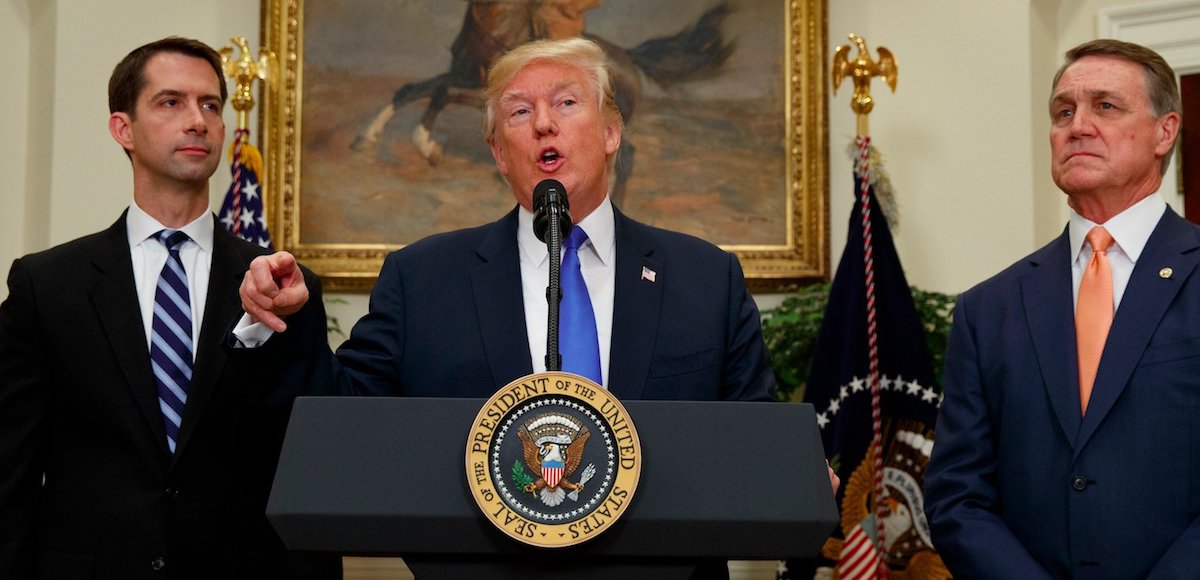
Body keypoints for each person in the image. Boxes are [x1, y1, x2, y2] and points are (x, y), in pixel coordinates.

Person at [238, 37, 829, 577]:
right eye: (520, 112)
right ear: (499, 152)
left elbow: (751, 437)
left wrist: (791, 476)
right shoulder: (423, 279)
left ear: (611, 132)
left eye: (567, 103)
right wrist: (288, 324)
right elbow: (348, 425)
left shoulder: (704, 278)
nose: (544, 123)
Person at [0, 37, 338, 579]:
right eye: (170, 102)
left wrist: (282, 326)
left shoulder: (282, 281)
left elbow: (313, 458)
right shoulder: (48, 284)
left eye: (210, 105)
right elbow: (11, 468)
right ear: (123, 129)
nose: (198, 121)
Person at [924, 39, 1195, 578]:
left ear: (1165, 131)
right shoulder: (988, 309)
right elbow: (958, 497)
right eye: (1063, 111)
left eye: (1106, 106)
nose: (1078, 126)